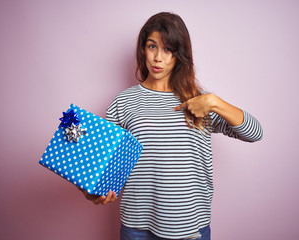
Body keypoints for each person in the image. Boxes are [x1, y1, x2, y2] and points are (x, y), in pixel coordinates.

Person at [80, 12, 263, 240]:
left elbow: (255, 133)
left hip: (191, 227)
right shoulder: (123, 102)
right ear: (143, 49)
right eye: (152, 46)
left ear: (179, 54)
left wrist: (215, 102)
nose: (158, 58)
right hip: (138, 226)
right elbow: (101, 161)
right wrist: (89, 190)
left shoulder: (199, 101)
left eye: (168, 49)